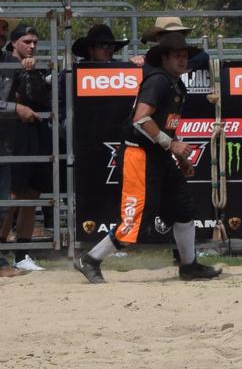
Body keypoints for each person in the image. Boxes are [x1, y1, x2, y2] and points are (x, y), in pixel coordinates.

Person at [74, 31, 223, 284]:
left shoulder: (176, 84)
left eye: (185, 56)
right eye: (177, 56)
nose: (183, 61)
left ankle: (189, 266)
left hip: (159, 155)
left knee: (184, 209)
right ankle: (90, 259)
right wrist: (172, 144)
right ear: (164, 59)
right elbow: (141, 119)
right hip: (139, 156)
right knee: (135, 221)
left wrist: (179, 156)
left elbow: (166, 125)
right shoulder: (158, 81)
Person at [1, 24, 51, 272]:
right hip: (11, 136)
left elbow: (42, 98)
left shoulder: (36, 67)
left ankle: (22, 253)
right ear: (14, 43)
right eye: (26, 41)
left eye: (34, 42)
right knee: (10, 195)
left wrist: (32, 73)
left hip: (35, 132)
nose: (31, 46)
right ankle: (2, 250)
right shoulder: (6, 64)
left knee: (31, 194)